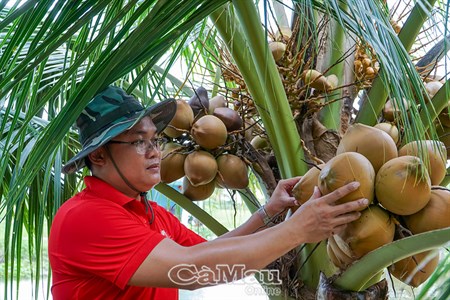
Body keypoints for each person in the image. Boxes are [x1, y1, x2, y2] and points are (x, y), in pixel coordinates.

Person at [48, 86, 368, 300]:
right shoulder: (86, 217)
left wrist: (268, 212)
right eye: (137, 142)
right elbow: (191, 270)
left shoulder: (149, 213)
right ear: (98, 156)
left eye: (154, 139)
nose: (154, 152)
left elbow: (210, 252)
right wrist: (297, 230)